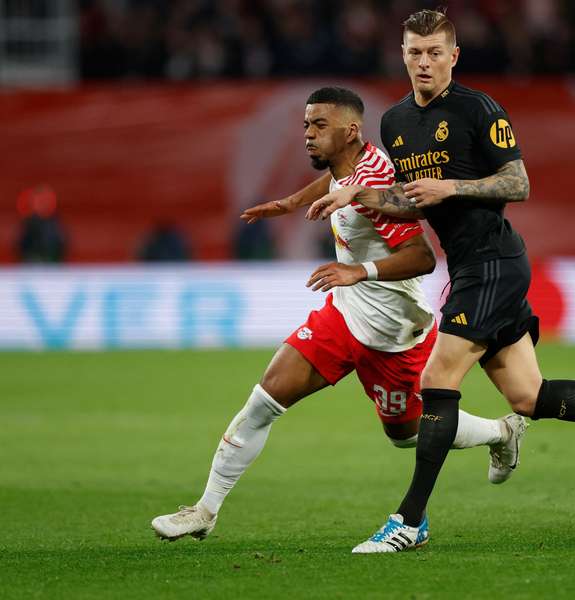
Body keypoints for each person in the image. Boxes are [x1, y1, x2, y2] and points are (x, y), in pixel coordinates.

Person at [306, 9, 575, 554]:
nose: (424, 62)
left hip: (494, 261)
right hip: (468, 267)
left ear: (453, 56)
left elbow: (519, 182)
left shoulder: (478, 108)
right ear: (403, 55)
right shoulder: (396, 123)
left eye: (434, 52)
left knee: (436, 382)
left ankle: (410, 521)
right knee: (529, 397)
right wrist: (360, 195)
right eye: (414, 52)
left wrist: (453, 188)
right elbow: (409, 205)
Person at [151, 87, 527, 544]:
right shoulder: (348, 163)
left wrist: (358, 271)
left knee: (407, 435)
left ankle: (500, 431)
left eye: (318, 126)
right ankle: (205, 510)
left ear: (351, 131)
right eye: (306, 125)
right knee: (264, 399)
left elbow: (422, 256)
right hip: (344, 317)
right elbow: (334, 182)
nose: (307, 134)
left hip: (395, 333)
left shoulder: (376, 183)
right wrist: (290, 203)